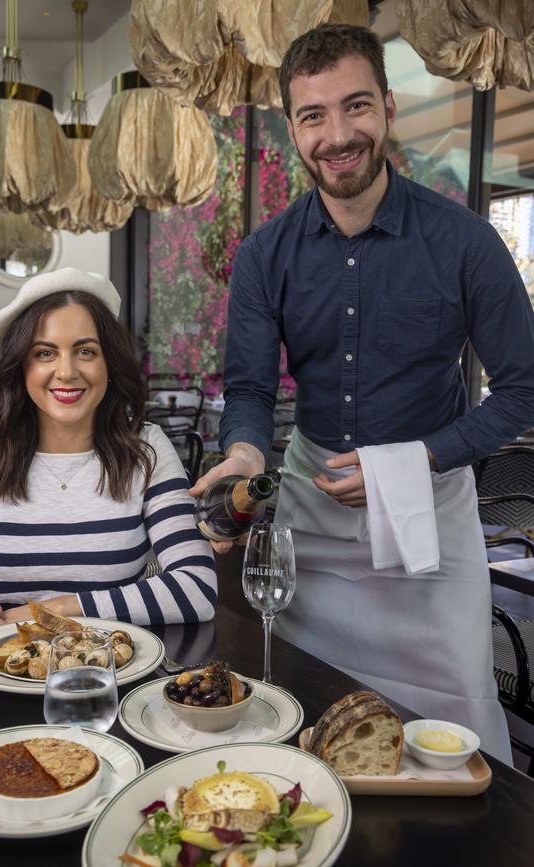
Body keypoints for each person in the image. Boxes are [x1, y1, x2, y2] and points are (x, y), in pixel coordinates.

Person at [190, 24, 534, 763]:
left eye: (356, 107)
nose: (338, 134)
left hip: (432, 510)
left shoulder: (467, 243)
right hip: (312, 516)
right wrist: (244, 451)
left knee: (454, 720)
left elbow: (523, 390)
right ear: (293, 127)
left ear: (387, 106)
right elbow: (248, 386)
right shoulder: (263, 255)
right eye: (314, 116)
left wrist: (416, 458)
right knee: (318, 709)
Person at [0, 267, 216, 644]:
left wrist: (59, 610)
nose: (66, 371)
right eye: (44, 353)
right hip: (4, 661)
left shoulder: (147, 450)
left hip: (116, 666)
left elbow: (196, 587)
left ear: (109, 364)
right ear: (21, 368)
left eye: (85, 351)